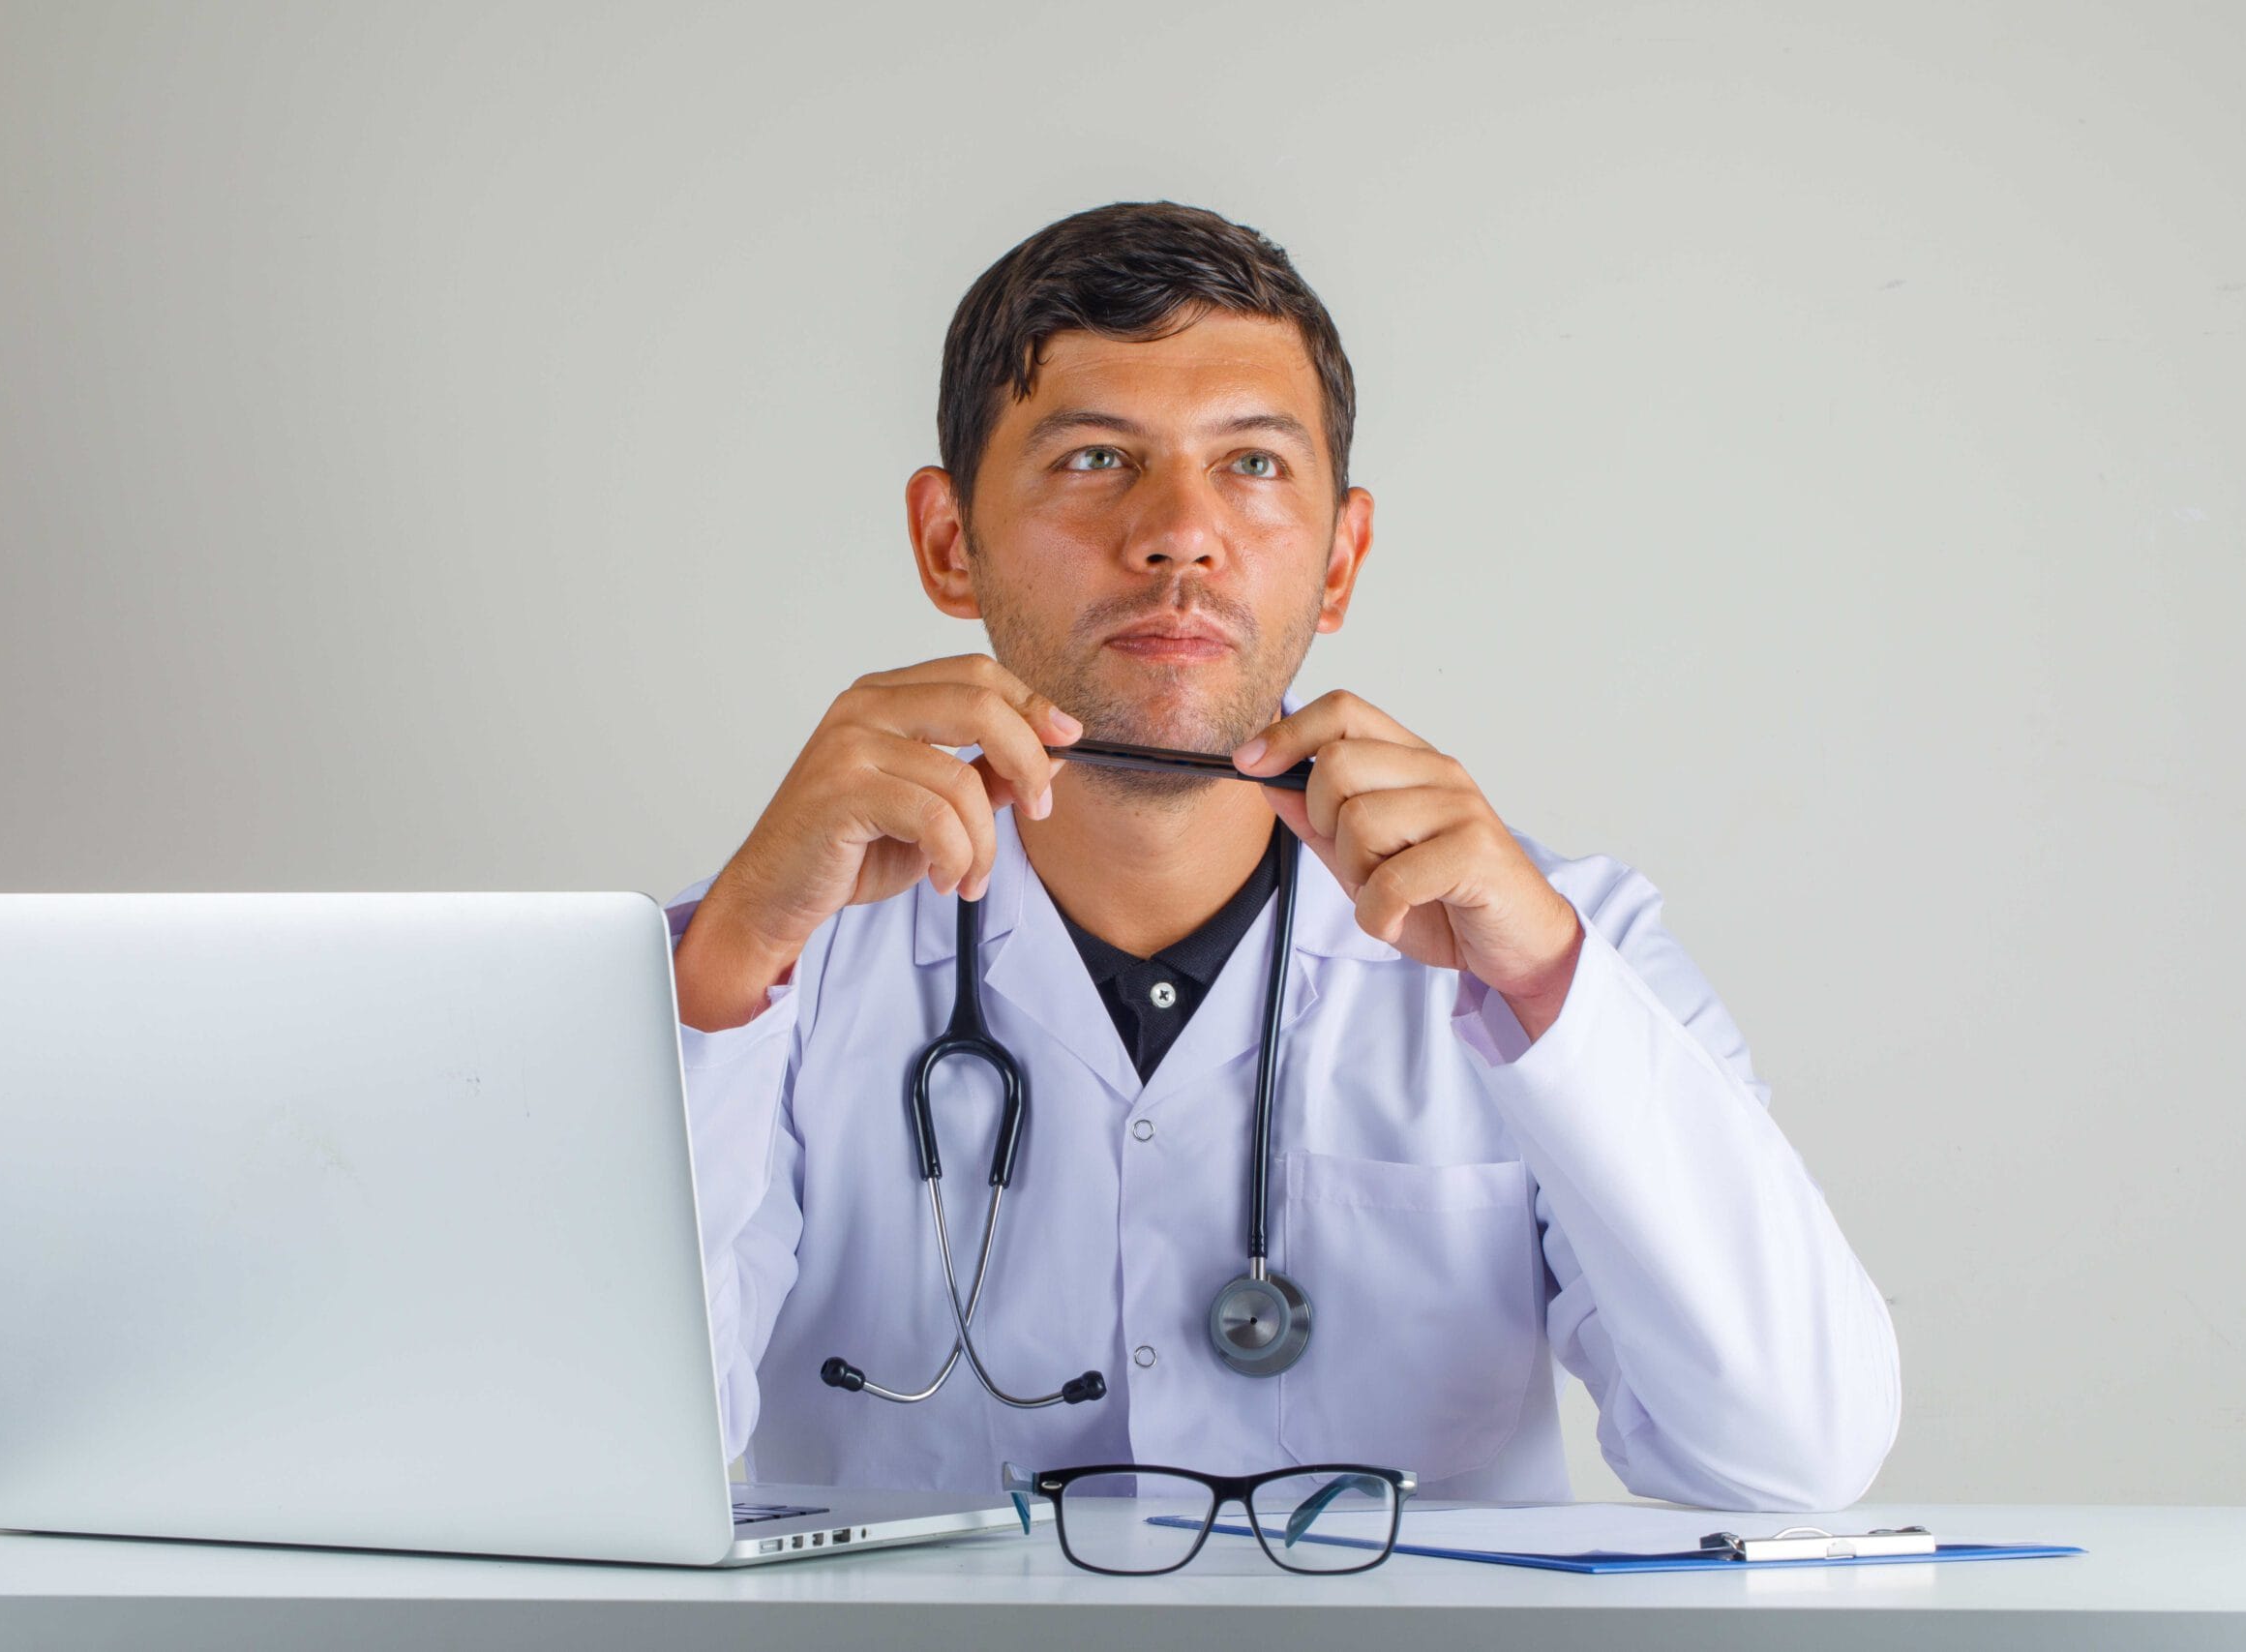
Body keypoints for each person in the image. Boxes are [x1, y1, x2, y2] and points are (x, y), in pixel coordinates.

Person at [665, 200, 1899, 1512]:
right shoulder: (758, 967)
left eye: (1252, 465)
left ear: (1341, 557)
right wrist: (719, 981)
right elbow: (577, 1451)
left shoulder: (1559, 949)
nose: (1178, 533)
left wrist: (1540, 984)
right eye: (1093, 458)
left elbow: (1790, 1451)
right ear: (948, 542)